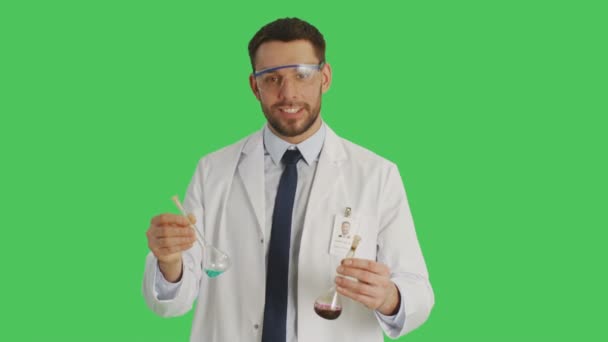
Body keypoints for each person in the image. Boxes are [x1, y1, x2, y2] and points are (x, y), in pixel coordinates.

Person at [142, 17, 434, 342]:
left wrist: (390, 297)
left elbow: (418, 290)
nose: (288, 93)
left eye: (302, 75)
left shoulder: (376, 175)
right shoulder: (213, 171)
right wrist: (169, 262)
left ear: (324, 77)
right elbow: (173, 301)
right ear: (255, 86)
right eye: (273, 79)